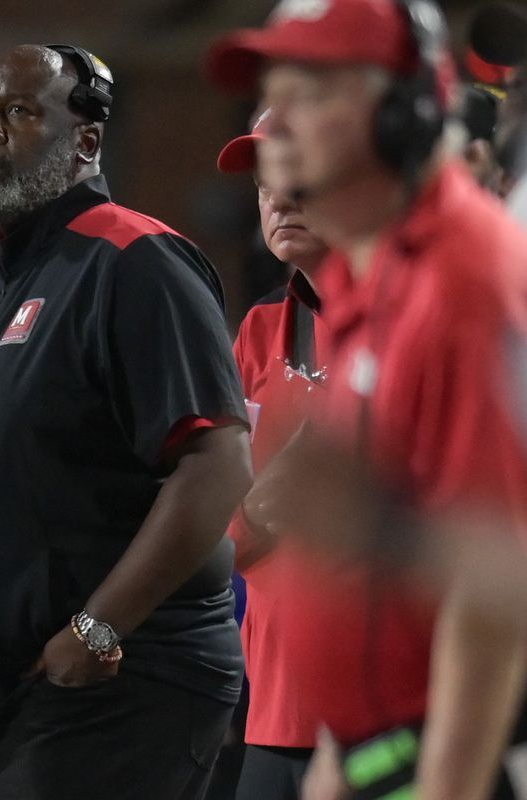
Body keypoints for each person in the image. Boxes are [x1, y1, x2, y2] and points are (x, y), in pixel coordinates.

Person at [0, 44, 252, 800]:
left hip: (107, 687)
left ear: (86, 140)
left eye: (17, 112)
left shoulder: (136, 259)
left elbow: (216, 467)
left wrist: (99, 626)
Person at [206, 1, 527, 797]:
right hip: (356, 753)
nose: (279, 139)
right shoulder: (358, 285)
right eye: (277, 92)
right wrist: (337, 753)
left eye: (314, 94)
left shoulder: (465, 282)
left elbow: (496, 598)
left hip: (441, 759)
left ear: (406, 112)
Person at [217, 112, 332, 799]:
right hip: (274, 713)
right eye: (267, 183)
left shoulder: (409, 317)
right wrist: (261, 508)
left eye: (300, 175)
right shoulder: (259, 330)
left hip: (387, 714)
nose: (280, 197)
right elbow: (212, 522)